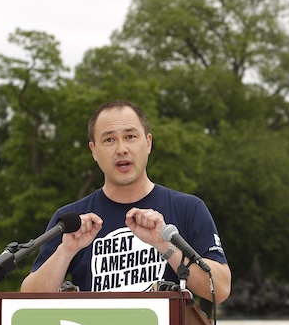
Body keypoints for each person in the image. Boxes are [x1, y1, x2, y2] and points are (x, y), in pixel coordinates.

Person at [21, 100, 232, 303]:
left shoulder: (189, 209)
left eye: (130, 136)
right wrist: (65, 251)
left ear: (148, 143)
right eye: (109, 140)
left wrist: (164, 246)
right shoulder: (71, 221)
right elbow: (27, 299)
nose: (121, 148)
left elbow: (220, 289)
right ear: (93, 150)